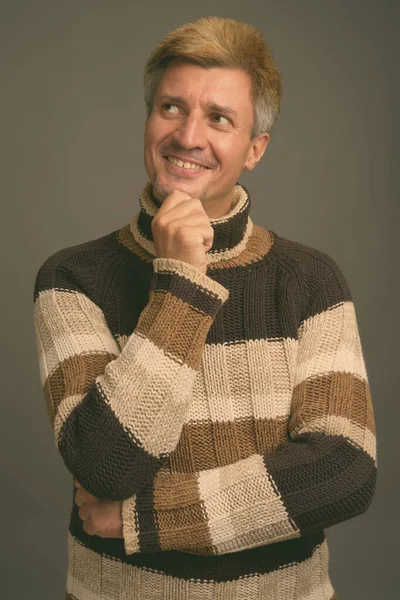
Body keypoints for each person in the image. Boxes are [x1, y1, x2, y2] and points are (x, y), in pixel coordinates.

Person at [33, 16, 377, 600]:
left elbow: (341, 471)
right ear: (148, 121)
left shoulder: (311, 280)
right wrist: (182, 283)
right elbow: (105, 467)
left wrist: (145, 519)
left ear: (255, 149)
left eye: (219, 119)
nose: (188, 136)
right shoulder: (72, 279)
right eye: (171, 107)